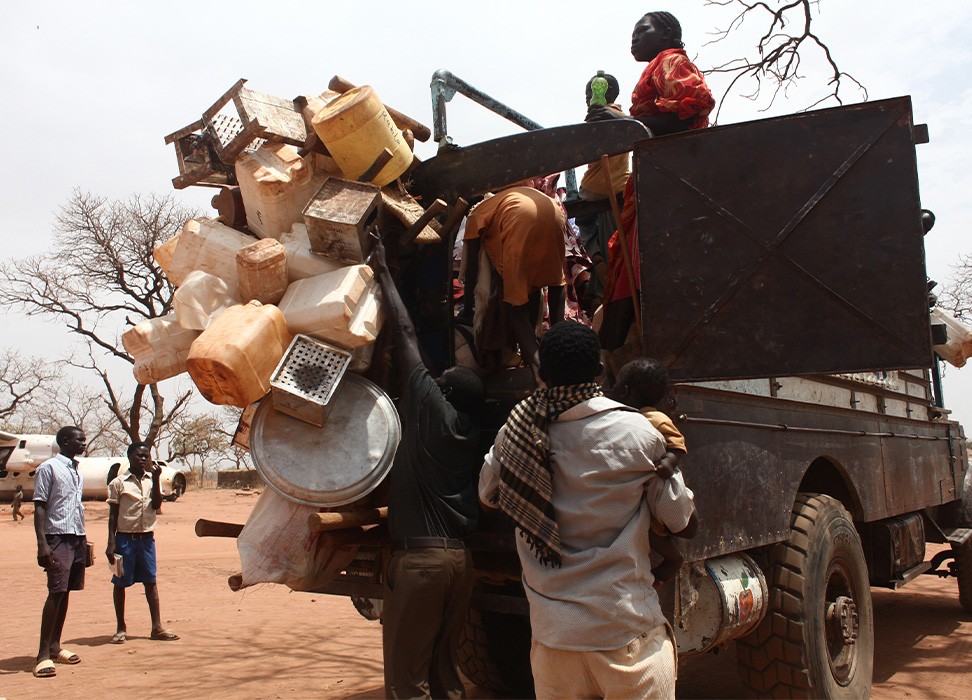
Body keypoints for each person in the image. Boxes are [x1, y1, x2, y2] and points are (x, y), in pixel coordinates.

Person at [479, 322, 697, 699]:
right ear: (598, 370)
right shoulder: (639, 432)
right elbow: (681, 521)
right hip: (626, 635)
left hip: (553, 643)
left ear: (543, 373)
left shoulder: (514, 431)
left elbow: (488, 493)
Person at [371, 233, 486, 699]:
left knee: (407, 682)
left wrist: (382, 270)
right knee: (443, 674)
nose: (431, 379)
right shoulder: (469, 435)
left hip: (421, 564)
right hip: (459, 562)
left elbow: (406, 335)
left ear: (446, 392)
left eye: (441, 381)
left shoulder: (429, 410)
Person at [588, 11, 716, 350]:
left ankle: (622, 347)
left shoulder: (670, 61)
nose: (634, 38)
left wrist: (624, 128)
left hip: (665, 179)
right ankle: (617, 348)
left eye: (642, 30)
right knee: (628, 265)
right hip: (656, 177)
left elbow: (690, 109)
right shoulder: (659, 64)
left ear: (667, 34)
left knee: (637, 267)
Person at [460, 180, 568, 378]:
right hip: (554, 212)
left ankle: (540, 373)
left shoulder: (477, 212)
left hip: (520, 219)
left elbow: (472, 269)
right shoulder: (505, 199)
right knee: (554, 283)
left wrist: (467, 309)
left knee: (515, 307)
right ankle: (564, 352)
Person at [606, 356, 693, 586]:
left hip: (656, 487)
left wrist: (669, 462)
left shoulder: (655, 418)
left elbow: (678, 444)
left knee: (654, 533)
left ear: (624, 391)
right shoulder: (624, 416)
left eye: (614, 384)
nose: (609, 389)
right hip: (641, 492)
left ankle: (674, 560)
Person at [105, 441, 179, 644]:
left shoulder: (152, 481)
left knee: (150, 582)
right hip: (124, 540)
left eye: (146, 456)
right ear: (129, 457)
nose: (143, 459)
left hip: (146, 540)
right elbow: (113, 515)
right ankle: (121, 627)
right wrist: (111, 542)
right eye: (139, 455)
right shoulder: (119, 483)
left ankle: (157, 627)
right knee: (120, 583)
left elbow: (156, 504)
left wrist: (156, 480)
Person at [32, 426, 88, 679]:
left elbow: (76, 507)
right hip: (56, 537)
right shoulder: (49, 468)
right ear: (64, 441)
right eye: (79, 439)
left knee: (66, 592)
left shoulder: (76, 470)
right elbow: (40, 507)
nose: (83, 443)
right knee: (55, 592)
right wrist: (42, 544)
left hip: (76, 536)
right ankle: (43, 655)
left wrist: (84, 539)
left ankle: (56, 646)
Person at [576, 71, 630, 311]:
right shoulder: (623, 117)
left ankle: (606, 285)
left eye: (590, 94)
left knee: (582, 209)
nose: (588, 100)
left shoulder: (601, 116)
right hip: (620, 186)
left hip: (598, 190)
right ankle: (600, 269)